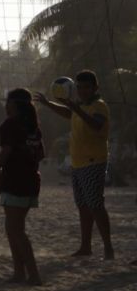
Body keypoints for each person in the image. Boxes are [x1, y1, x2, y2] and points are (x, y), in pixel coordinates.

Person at [36, 69, 114, 259]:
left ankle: (108, 248)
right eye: (78, 87)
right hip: (78, 162)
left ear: (95, 87)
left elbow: (96, 125)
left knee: (96, 205)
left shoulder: (99, 106)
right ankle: (85, 247)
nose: (82, 90)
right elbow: (68, 113)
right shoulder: (80, 106)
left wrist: (76, 109)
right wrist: (48, 103)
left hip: (93, 161)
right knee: (83, 207)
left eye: (86, 87)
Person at [0, 88, 44, 284]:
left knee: (16, 230)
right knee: (13, 229)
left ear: (14, 104)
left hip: (16, 181)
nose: (5, 105)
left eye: (8, 102)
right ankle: (19, 272)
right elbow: (40, 155)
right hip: (32, 181)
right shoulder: (34, 127)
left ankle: (33, 274)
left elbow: (6, 150)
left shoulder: (10, 125)